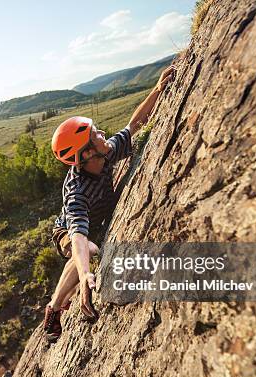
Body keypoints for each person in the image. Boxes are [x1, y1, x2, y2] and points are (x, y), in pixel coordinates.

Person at [43, 66, 175, 342]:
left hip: (93, 224)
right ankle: (54, 309)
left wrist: (158, 90)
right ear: (87, 153)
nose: (102, 133)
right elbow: (78, 238)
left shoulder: (103, 154)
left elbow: (134, 126)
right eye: (95, 134)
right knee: (89, 248)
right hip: (67, 231)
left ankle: (67, 294)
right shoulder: (76, 191)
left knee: (91, 246)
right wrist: (86, 277)